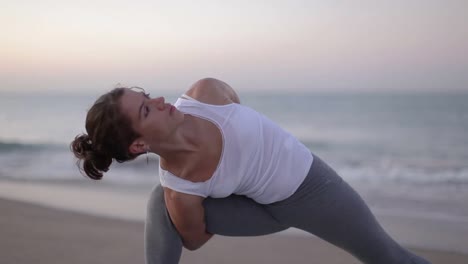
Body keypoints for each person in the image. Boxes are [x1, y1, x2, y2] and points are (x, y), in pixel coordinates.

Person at [71, 78, 431, 264]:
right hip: (260, 211)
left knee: (389, 257)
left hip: (312, 189)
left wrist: (244, 164)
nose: (160, 102)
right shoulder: (180, 186)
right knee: (160, 201)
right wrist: (230, 189)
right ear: (138, 146)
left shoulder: (205, 93)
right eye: (147, 111)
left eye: (148, 96)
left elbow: (234, 103)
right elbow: (193, 238)